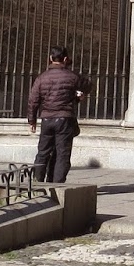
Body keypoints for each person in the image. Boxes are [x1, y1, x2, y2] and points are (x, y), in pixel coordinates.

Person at [26, 45, 88, 184]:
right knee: (62, 154)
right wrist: (77, 97)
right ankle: (57, 184)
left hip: (47, 119)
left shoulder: (42, 78)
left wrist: (32, 120)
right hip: (64, 119)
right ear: (65, 59)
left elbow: (33, 100)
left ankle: (37, 182)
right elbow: (87, 85)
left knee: (43, 152)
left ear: (50, 58)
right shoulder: (72, 77)